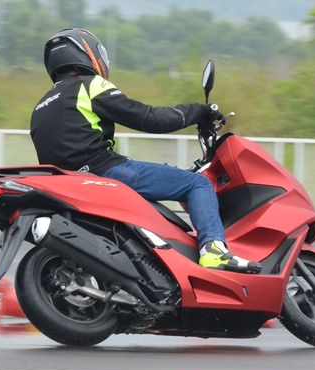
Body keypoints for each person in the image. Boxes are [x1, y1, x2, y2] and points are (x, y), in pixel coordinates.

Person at [30, 28, 261, 274]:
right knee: (196, 184)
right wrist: (199, 111)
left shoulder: (40, 105)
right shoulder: (89, 86)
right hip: (104, 172)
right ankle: (214, 251)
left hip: (69, 184)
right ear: (88, 54)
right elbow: (149, 119)